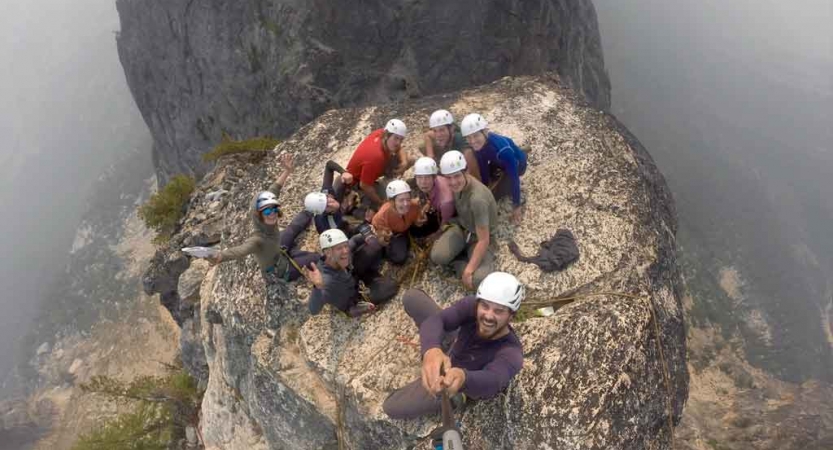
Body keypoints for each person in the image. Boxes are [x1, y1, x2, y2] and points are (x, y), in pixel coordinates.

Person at [382, 272, 525, 419]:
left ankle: (458, 399)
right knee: (412, 297)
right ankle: (439, 353)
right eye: (485, 306)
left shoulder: (511, 352)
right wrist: (431, 349)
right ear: (478, 303)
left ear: (511, 316)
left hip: (455, 381)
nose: (488, 315)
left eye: (499, 311)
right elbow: (438, 319)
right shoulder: (471, 306)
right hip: (455, 343)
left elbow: (493, 380)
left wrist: (463, 378)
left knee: (390, 406)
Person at [208, 155, 318, 282]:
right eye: (266, 210)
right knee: (315, 258)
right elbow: (240, 250)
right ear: (257, 214)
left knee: (294, 227)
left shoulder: (268, 219)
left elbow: (274, 189)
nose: (272, 213)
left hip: (278, 247)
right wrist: (220, 257)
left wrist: (287, 171)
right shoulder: (257, 240)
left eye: (274, 208)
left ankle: (313, 209)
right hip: (281, 270)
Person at [429, 151, 498, 290]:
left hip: (479, 238)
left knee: (477, 281)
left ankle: (462, 261)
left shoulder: (477, 199)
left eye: (457, 176)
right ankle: (462, 258)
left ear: (466, 172)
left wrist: (468, 270)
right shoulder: (458, 186)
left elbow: (483, 240)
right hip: (462, 227)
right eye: (448, 178)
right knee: (437, 257)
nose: (453, 182)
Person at [306, 229, 398, 317]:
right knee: (391, 286)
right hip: (353, 298)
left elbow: (354, 240)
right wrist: (317, 287)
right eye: (339, 248)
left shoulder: (340, 256)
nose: (345, 251)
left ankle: (371, 273)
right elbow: (313, 310)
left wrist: (372, 235)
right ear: (328, 252)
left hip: (354, 275)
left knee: (374, 243)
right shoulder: (327, 280)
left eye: (345, 246)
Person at [460, 113, 528, 225]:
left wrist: (517, 206)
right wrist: (485, 186)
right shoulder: (480, 145)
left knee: (500, 192)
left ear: (485, 132)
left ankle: (522, 155)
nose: (472, 141)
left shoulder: (502, 150)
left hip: (517, 164)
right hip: (498, 160)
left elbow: (515, 178)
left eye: (476, 135)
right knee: (490, 178)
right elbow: (483, 165)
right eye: (468, 137)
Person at [339, 119, 413, 218]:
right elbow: (364, 185)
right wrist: (380, 202)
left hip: (374, 168)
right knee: (388, 205)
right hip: (357, 182)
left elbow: (399, 148)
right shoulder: (375, 157)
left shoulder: (381, 133)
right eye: (396, 138)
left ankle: (390, 179)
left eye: (401, 139)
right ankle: (358, 203)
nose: (398, 143)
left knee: (409, 159)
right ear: (387, 135)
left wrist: (404, 163)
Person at [371, 179, 425, 264]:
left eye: (408, 199)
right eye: (401, 200)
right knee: (399, 257)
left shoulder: (414, 206)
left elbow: (417, 220)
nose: (406, 204)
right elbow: (381, 239)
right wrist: (386, 238)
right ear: (392, 202)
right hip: (394, 235)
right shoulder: (382, 216)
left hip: (405, 229)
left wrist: (419, 222)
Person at [410, 157, 455, 239]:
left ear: (434, 177)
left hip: (453, 217)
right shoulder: (433, 183)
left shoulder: (446, 202)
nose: (423, 182)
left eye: (427, 177)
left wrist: (434, 236)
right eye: (419, 177)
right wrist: (425, 207)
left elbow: (445, 225)